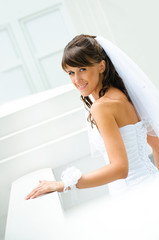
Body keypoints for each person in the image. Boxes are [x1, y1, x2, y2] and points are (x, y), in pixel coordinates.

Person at [25, 34, 159, 200]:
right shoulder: (122, 94)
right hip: (151, 186)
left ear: (101, 66)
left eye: (82, 69)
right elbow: (157, 144)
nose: (77, 79)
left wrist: (64, 184)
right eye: (70, 72)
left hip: (135, 195)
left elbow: (120, 169)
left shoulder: (102, 107)